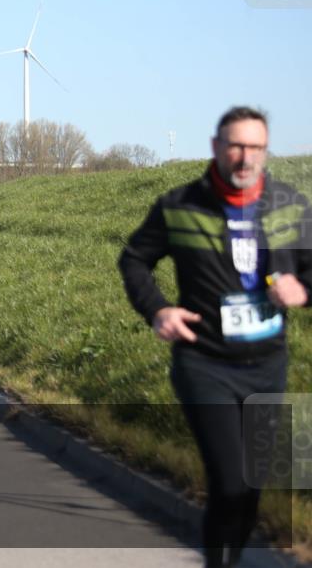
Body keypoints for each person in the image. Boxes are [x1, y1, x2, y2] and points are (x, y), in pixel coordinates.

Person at [118, 106, 311, 567]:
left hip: (268, 364)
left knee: (251, 489)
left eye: (256, 147)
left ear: (266, 151)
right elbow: (134, 260)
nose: (246, 157)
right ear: (216, 147)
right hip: (204, 363)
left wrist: (303, 290)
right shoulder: (180, 206)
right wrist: (157, 309)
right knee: (230, 481)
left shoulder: (290, 206)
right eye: (236, 146)